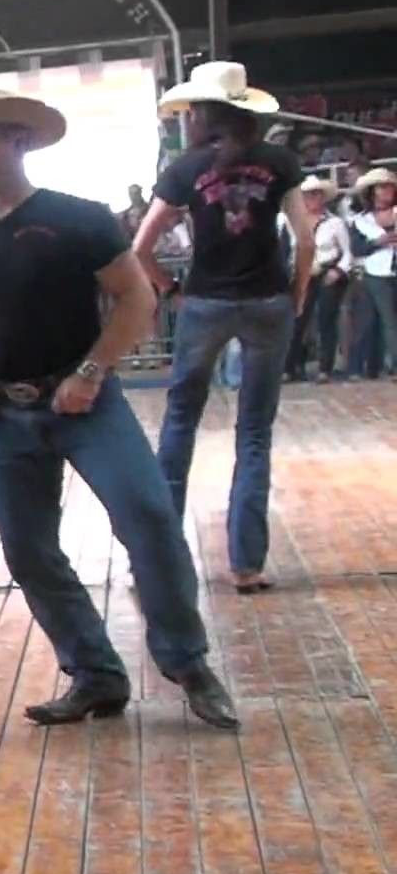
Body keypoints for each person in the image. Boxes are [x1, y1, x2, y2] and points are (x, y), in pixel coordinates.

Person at [0, 85, 238, 729]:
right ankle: (94, 674)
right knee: (28, 551)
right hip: (3, 417)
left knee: (148, 516)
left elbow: (136, 301)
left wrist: (91, 373)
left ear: (18, 141)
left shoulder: (81, 218)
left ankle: (186, 661)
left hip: (85, 402)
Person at [135, 63, 311, 595]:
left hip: (206, 303)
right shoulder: (280, 162)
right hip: (267, 303)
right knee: (254, 433)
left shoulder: (186, 170)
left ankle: (159, 563)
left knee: (180, 425)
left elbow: (141, 246)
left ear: (204, 115)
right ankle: (247, 564)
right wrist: (297, 294)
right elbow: (305, 240)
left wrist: (168, 288)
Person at [286, 177, 352, 383]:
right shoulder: (292, 222)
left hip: (326, 271)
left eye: (316, 194)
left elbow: (347, 252)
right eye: (308, 195)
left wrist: (338, 271)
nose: (312, 198)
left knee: (326, 320)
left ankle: (325, 368)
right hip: (302, 273)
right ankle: (292, 367)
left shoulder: (335, 223)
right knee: (297, 321)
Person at [347, 168, 397, 377]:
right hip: (377, 273)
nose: (386, 191)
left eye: (389, 186)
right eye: (381, 187)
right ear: (372, 191)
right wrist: (378, 242)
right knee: (388, 320)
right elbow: (357, 249)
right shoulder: (361, 220)